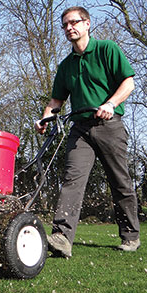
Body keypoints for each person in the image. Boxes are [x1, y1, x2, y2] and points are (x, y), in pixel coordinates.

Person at [35, 6, 140, 257]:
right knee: (72, 179)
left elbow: (129, 82)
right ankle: (62, 237)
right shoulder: (66, 65)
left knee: (120, 182)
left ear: (87, 24)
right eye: (65, 25)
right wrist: (44, 118)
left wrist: (110, 104)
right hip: (79, 128)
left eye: (74, 22)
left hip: (109, 125)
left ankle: (130, 236)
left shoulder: (107, 50)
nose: (69, 28)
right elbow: (56, 101)